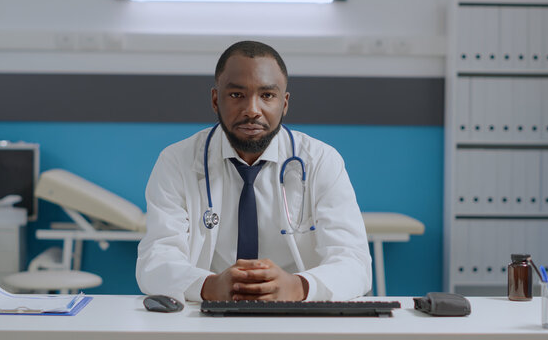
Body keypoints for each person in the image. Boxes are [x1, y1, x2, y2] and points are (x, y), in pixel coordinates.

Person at [136, 40, 372, 303]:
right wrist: (210, 286)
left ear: (284, 103)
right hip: (206, 315)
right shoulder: (176, 162)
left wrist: (297, 287)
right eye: (237, 95)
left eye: (267, 95)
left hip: (298, 314)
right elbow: (155, 261)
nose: (252, 110)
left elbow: (355, 262)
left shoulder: (321, 161)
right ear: (215, 100)